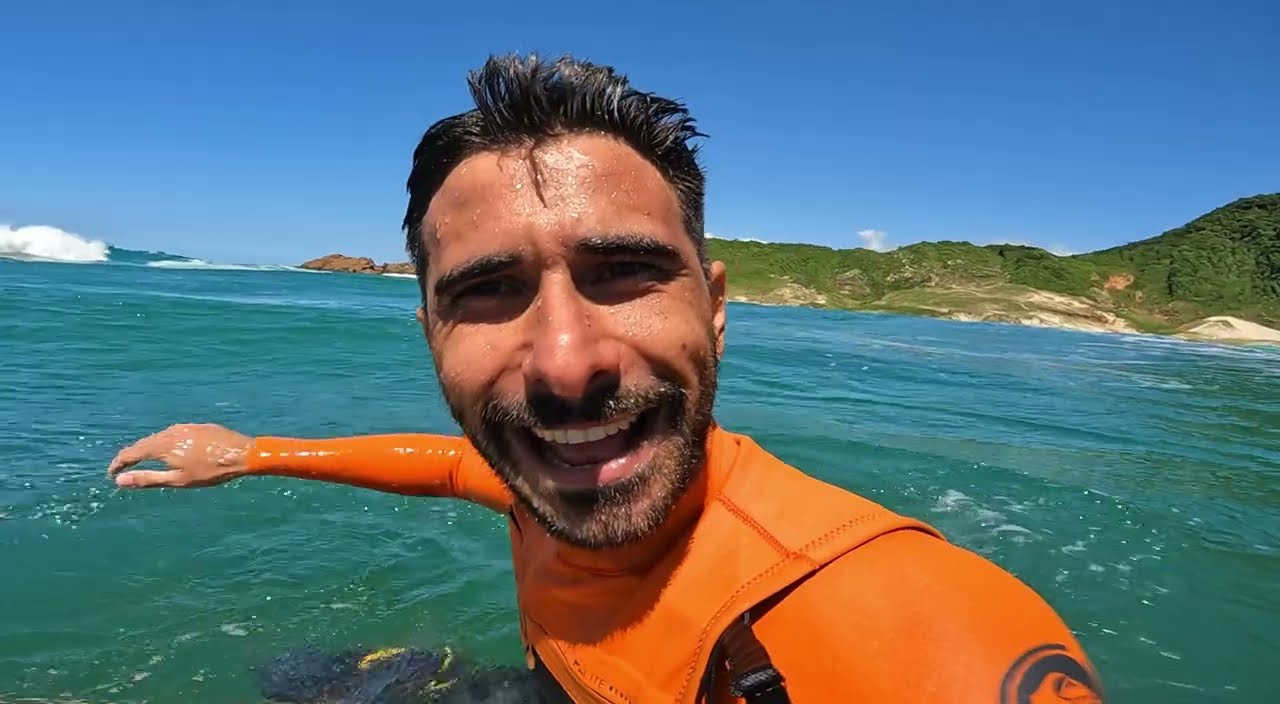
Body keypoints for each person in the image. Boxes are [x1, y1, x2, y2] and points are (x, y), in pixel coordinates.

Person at [108, 53, 1105, 704]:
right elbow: (445, 467)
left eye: (622, 271)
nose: (564, 366)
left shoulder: (902, 625)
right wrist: (253, 454)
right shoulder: (539, 472)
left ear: (714, 305)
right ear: (427, 331)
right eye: (487, 291)